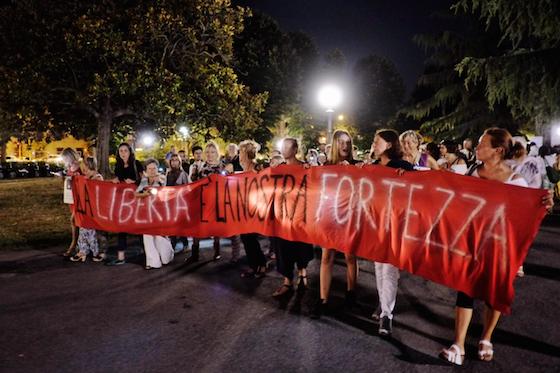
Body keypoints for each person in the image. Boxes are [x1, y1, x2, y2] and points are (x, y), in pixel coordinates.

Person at [440, 127, 554, 366]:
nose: (477, 147)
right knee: (465, 290)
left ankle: (486, 338)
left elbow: (525, 220)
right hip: (471, 243)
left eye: (482, 144)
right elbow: (449, 194)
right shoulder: (471, 172)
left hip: (501, 248)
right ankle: (458, 345)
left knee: (494, 292)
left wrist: (545, 202)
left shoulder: (517, 182)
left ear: (498, 151)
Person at [310, 130, 361, 319]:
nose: (345, 146)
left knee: (350, 257)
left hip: (349, 216)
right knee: (326, 257)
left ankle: (351, 293)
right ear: (334, 144)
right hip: (330, 216)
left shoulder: (357, 165)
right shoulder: (326, 166)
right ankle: (323, 299)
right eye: (341, 142)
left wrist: (353, 171)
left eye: (348, 142)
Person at [369, 129, 414, 336]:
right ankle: (382, 303)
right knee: (379, 268)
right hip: (375, 225)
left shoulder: (403, 167)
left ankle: (387, 314)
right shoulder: (372, 168)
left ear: (388, 145)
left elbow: (418, 191)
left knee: (389, 271)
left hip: (396, 227)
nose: (373, 144)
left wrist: (409, 179)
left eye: (377, 141)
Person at [271, 138, 314, 296]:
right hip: (282, 217)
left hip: (301, 216)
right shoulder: (279, 168)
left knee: (301, 246)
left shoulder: (304, 167)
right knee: (284, 249)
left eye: (287, 147)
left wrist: (310, 171)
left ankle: (303, 274)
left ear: (295, 149)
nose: (283, 149)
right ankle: (287, 281)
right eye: (282, 146)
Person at [186, 141, 240, 263]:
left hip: (221, 202)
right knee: (198, 228)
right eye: (208, 152)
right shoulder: (201, 167)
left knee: (228, 229)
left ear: (217, 153)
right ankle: (195, 254)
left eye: (213, 152)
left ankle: (230, 254)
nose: (210, 155)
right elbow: (196, 185)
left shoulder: (224, 166)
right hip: (205, 202)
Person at [107, 143, 144, 266]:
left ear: (130, 152)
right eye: (121, 151)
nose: (123, 153)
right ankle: (121, 256)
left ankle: (145, 252)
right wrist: (115, 181)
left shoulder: (136, 164)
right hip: (123, 201)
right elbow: (119, 180)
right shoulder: (118, 165)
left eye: (125, 151)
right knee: (121, 227)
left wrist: (134, 181)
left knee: (139, 226)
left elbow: (144, 181)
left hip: (136, 200)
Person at [236, 140, 268, 278]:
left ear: (246, 153)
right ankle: (254, 265)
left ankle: (260, 264)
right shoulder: (243, 170)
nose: (239, 155)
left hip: (255, 208)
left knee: (250, 238)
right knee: (246, 238)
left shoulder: (257, 168)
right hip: (244, 208)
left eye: (241, 152)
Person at [135, 159, 174, 270]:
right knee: (147, 236)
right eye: (149, 169)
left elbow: (165, 190)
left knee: (159, 236)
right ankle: (153, 262)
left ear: (157, 168)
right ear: (146, 170)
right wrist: (145, 194)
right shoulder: (144, 180)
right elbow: (136, 193)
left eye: (154, 168)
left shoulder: (162, 178)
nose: (152, 171)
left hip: (160, 213)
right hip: (147, 213)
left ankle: (168, 255)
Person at [70, 157, 104, 262]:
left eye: (86, 170)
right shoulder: (86, 178)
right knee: (83, 229)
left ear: (91, 167)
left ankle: (91, 251)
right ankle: (85, 251)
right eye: (83, 170)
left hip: (94, 210)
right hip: (85, 209)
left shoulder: (97, 177)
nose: (84, 172)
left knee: (88, 230)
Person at [61, 148, 82, 258]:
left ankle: (73, 246)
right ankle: (80, 245)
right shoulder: (69, 167)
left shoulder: (80, 166)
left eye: (65, 158)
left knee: (73, 220)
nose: (64, 160)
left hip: (80, 198)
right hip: (72, 198)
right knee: (76, 222)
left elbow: (84, 179)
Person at [166, 154, 189, 253]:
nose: (174, 162)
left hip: (180, 203)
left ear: (179, 162)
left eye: (176, 160)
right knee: (172, 225)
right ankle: (173, 244)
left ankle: (186, 244)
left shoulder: (183, 174)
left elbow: (187, 188)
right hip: (170, 203)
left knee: (181, 225)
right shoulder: (168, 174)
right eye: (172, 160)